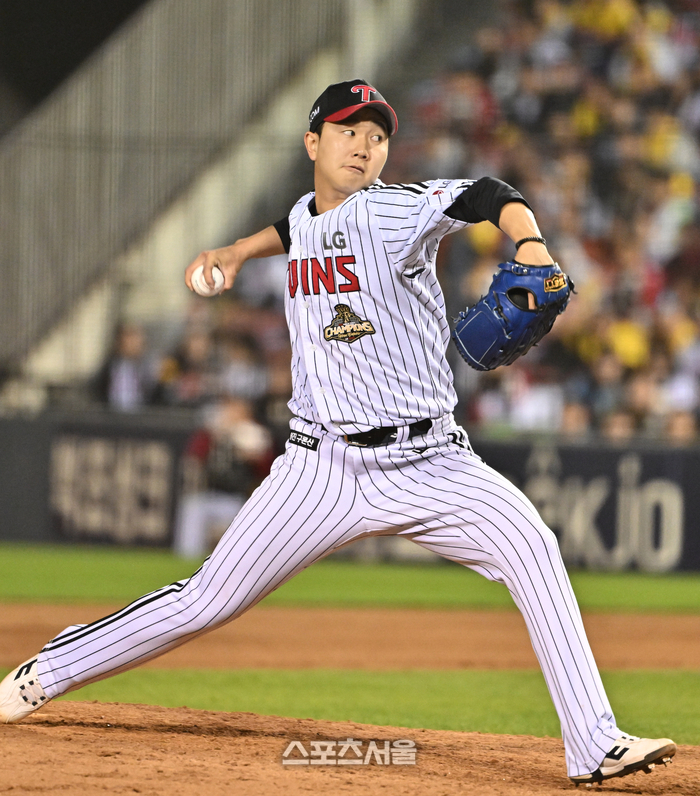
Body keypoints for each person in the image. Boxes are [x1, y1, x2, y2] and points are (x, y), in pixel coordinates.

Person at [0, 79, 676, 786]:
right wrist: (238, 250)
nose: (364, 145)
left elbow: (486, 193)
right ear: (312, 143)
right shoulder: (306, 214)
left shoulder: (394, 211)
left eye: (377, 136)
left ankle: (594, 744)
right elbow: (296, 227)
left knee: (533, 549)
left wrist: (529, 241)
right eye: (348, 130)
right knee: (205, 601)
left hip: (431, 460)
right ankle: (48, 669)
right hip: (319, 469)